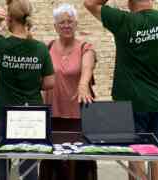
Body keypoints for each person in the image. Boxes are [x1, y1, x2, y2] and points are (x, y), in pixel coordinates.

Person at [84, 0, 158, 180]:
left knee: (135, 157)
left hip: (131, 103)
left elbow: (90, 3)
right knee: (157, 156)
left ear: (130, 2)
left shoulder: (123, 20)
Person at [0, 0, 55, 179]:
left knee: (1, 163)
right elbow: (50, 82)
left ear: (9, 19)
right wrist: (33, 83)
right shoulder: (40, 48)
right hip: (33, 114)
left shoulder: (0, 45)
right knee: (29, 166)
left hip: (3, 112)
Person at [39, 3, 97, 180]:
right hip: (52, 113)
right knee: (53, 160)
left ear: (76, 24)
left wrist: (83, 84)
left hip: (77, 115)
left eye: (70, 21)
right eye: (62, 22)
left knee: (77, 161)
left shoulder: (85, 48)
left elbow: (88, 67)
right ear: (55, 26)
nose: (66, 25)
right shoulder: (47, 48)